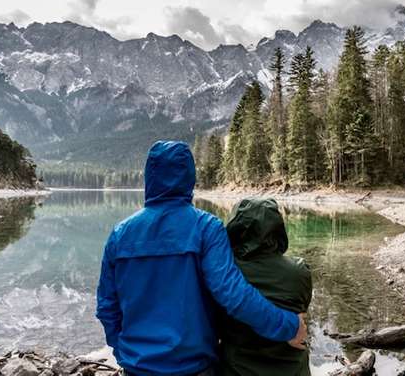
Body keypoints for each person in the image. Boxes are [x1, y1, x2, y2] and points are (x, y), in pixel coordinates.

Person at [96, 141, 307, 376]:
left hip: (137, 368)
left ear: (149, 176)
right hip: (194, 368)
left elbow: (107, 307)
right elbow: (233, 295)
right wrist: (288, 326)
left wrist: (124, 352)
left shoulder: (120, 235)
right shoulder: (206, 227)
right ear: (189, 176)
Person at [219, 198, 313, 376]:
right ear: (277, 228)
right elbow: (302, 311)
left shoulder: (224, 275)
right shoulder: (299, 271)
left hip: (237, 370)